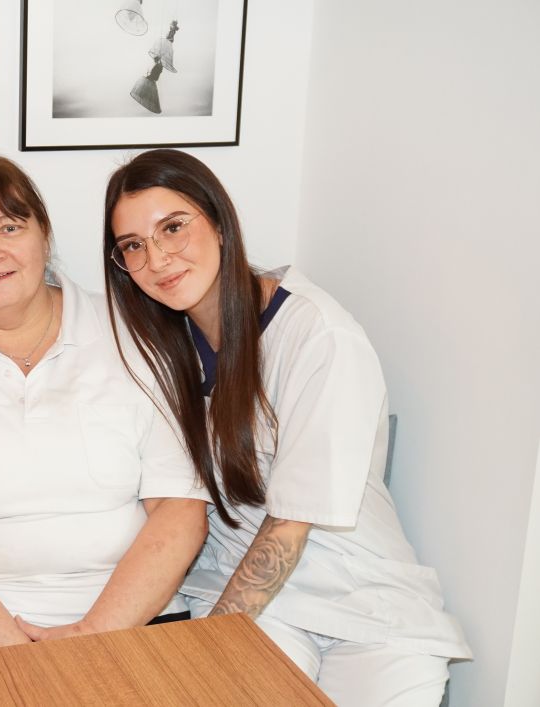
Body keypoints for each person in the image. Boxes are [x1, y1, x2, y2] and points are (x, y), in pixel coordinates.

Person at [102, 149, 471, 705]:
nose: (157, 259)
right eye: (134, 245)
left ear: (221, 223)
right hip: (249, 599)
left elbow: (290, 528)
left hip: (362, 597)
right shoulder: (157, 344)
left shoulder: (318, 335)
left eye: (173, 228)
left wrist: (209, 645)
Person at [0, 155, 210, 655]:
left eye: (10, 227)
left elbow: (180, 510)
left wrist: (91, 638)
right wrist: (24, 654)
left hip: (136, 622)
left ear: (44, 236)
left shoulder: (131, 330)